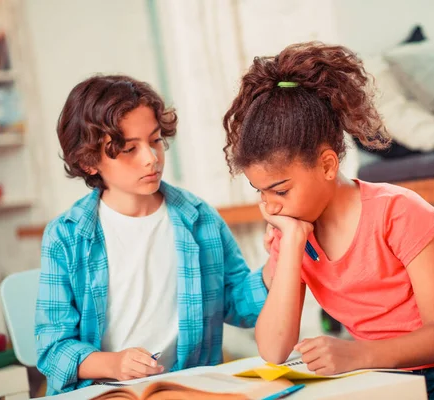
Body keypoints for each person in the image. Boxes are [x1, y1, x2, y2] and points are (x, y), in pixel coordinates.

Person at [222, 42, 434, 399]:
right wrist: (292, 248)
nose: (269, 206)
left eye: (280, 191)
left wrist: (357, 354)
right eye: (260, 191)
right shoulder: (293, 232)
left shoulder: (397, 211)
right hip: (387, 372)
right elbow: (273, 349)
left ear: (328, 165)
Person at [36, 75, 269, 395]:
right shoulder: (66, 237)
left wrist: (278, 266)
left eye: (155, 140)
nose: (151, 158)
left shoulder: (199, 219)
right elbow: (52, 349)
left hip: (185, 387)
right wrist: (113, 363)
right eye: (130, 148)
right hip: (103, 390)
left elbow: (240, 306)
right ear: (89, 161)